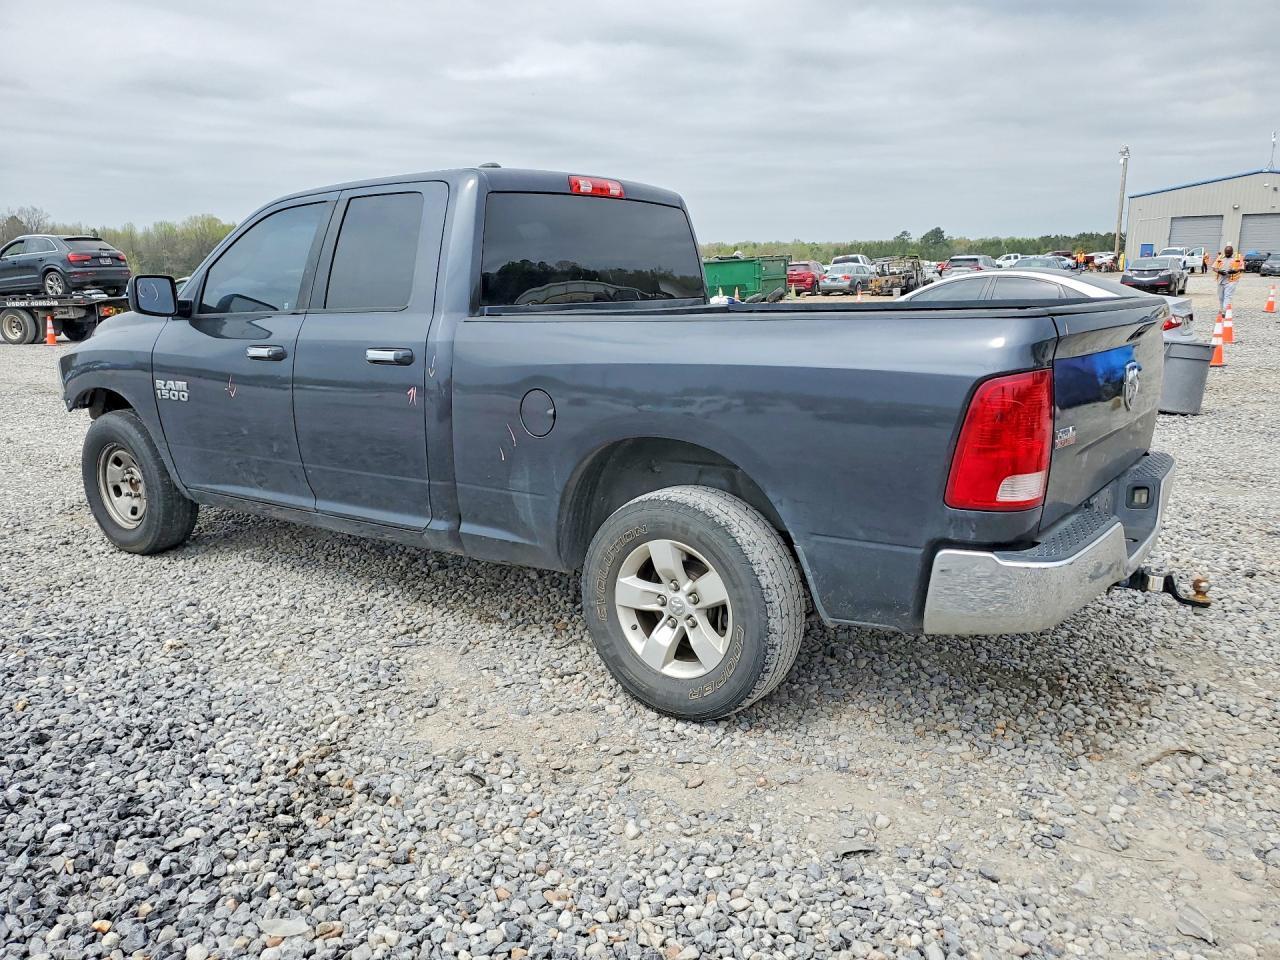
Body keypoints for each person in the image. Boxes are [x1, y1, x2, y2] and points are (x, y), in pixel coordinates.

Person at [1212, 245, 1245, 314]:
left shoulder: (1238, 258)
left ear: (1232, 252)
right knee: (1221, 296)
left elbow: (1242, 268)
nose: (1227, 254)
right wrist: (1219, 271)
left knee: (1228, 295)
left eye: (1229, 253)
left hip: (1232, 280)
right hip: (1221, 280)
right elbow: (1214, 268)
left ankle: (1225, 310)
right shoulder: (1220, 257)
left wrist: (1235, 271)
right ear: (1224, 252)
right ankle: (1221, 308)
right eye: (1226, 253)